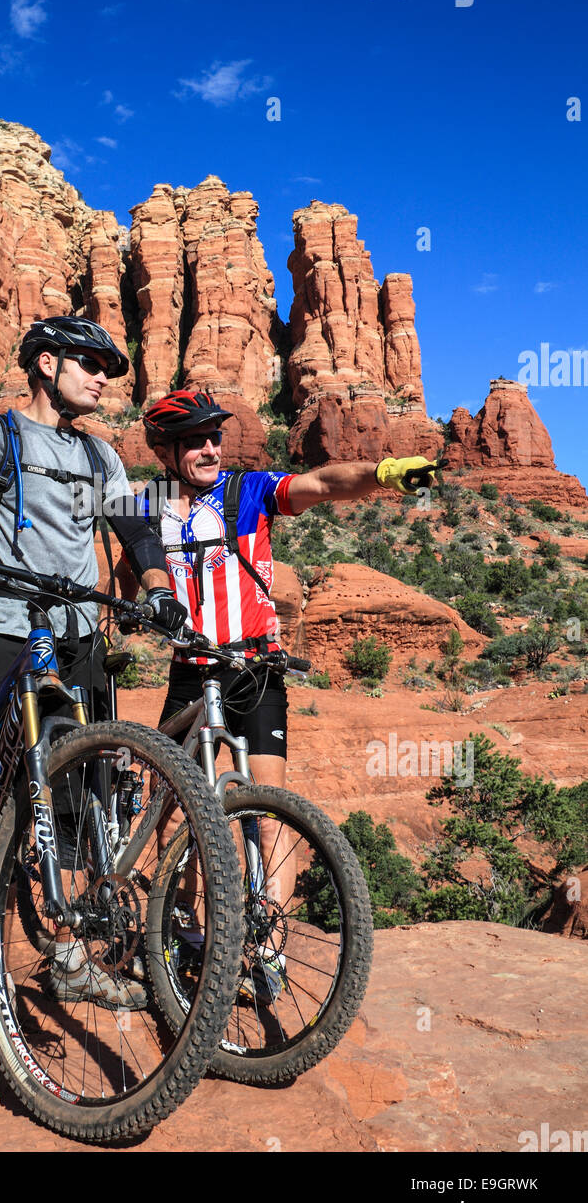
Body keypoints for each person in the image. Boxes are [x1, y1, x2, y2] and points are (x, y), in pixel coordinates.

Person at [0, 316, 187, 1009]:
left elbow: (137, 529)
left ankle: (66, 952)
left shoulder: (100, 457)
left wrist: (159, 593)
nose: (101, 378)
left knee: (81, 790)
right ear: (46, 364)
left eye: (109, 370)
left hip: (78, 635)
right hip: (4, 628)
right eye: (89, 363)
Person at [125, 389, 439, 998]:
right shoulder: (145, 506)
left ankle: (268, 947)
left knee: (268, 814)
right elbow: (126, 573)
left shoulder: (249, 491)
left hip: (255, 669)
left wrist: (382, 473)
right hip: (190, 668)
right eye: (195, 440)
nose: (211, 447)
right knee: (170, 810)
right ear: (165, 451)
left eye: (216, 436)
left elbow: (323, 484)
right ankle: (181, 936)